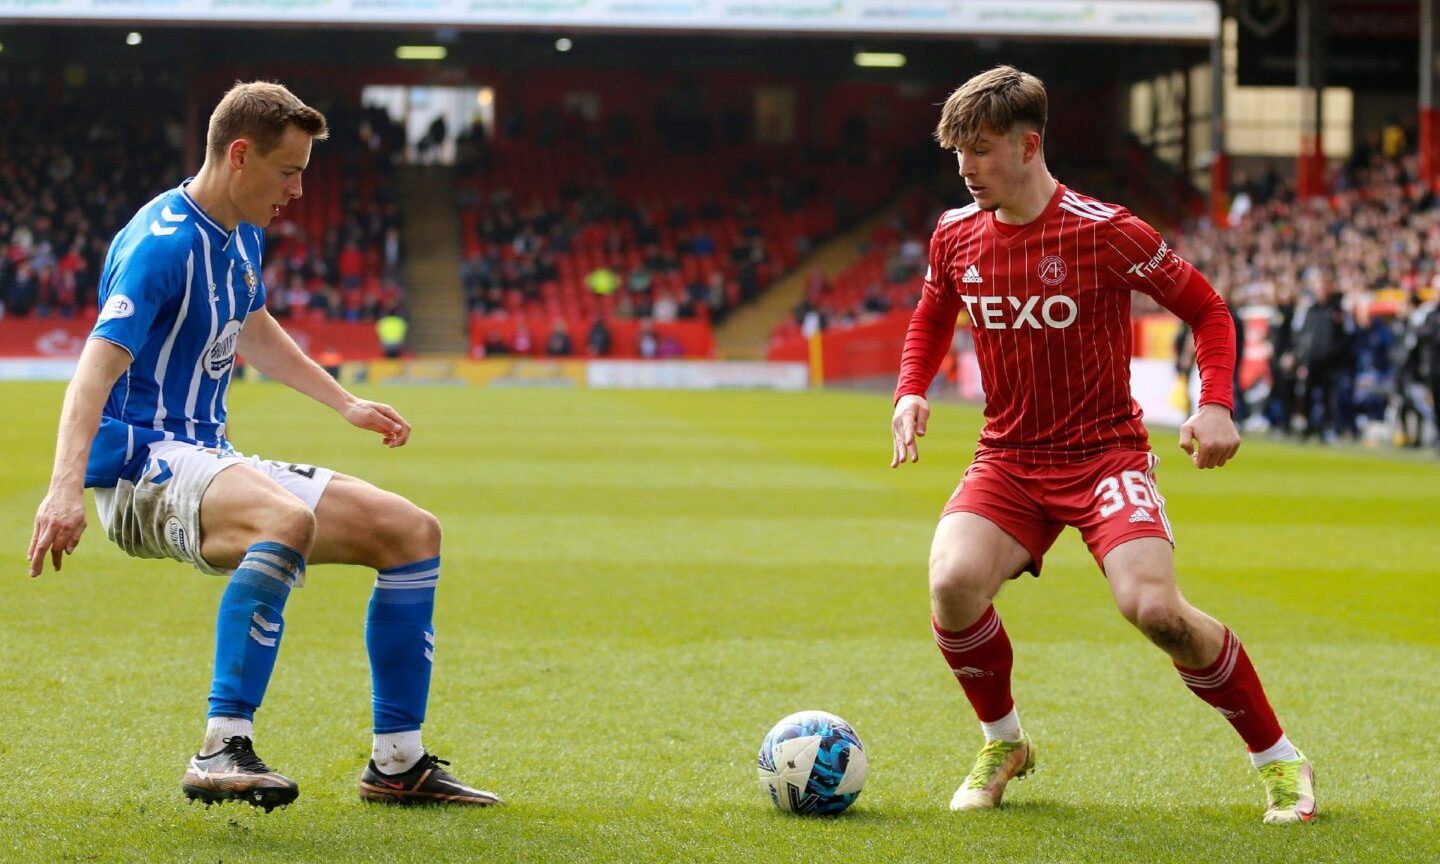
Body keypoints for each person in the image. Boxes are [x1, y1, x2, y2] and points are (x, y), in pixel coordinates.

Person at [26, 82, 499, 811]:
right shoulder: (162, 245)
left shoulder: (239, 231)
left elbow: (252, 327)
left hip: (208, 458)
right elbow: (91, 373)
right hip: (141, 470)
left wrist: (344, 402)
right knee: (285, 521)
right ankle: (220, 748)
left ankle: (397, 764)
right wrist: (62, 491)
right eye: (290, 171)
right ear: (239, 155)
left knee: (411, 532)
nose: (301, 189)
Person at [889, 67, 1313, 824]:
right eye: (957, 153)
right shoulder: (955, 234)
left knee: (1155, 610)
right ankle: (1003, 742)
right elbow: (931, 315)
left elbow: (1210, 312)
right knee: (951, 583)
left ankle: (1279, 760)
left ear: (1030, 144)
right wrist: (912, 388)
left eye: (981, 150)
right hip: (1009, 460)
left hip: (1104, 458)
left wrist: (1216, 404)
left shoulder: (1102, 230)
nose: (966, 168)